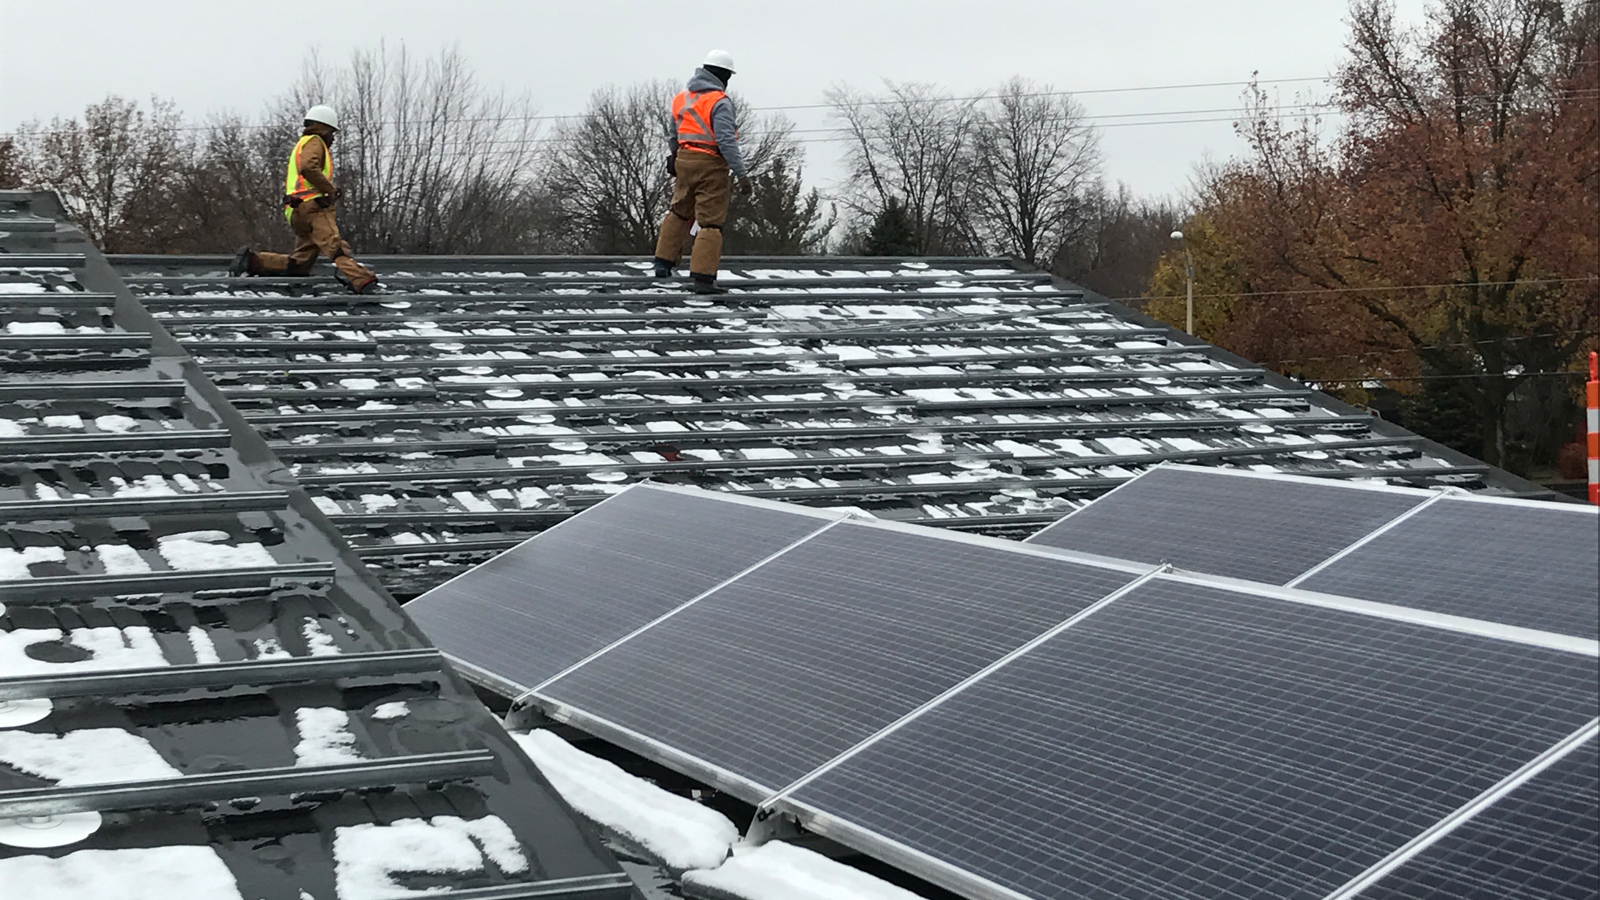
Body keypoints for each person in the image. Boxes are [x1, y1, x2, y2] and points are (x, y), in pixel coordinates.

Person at [230, 105, 379, 293]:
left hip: (296, 210)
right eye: (332, 132)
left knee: (300, 264)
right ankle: (362, 280)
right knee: (335, 247)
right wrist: (329, 190)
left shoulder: (302, 144)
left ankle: (254, 261)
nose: (332, 138)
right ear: (324, 128)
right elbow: (309, 167)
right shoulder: (316, 141)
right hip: (314, 207)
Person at [651, 50, 754, 294]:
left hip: (685, 160)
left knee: (679, 211)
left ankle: (662, 263)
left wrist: (675, 156)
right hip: (711, 164)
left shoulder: (682, 99)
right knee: (710, 222)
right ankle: (703, 278)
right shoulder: (719, 102)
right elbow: (726, 141)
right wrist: (741, 174)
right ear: (723, 75)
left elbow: (673, 134)